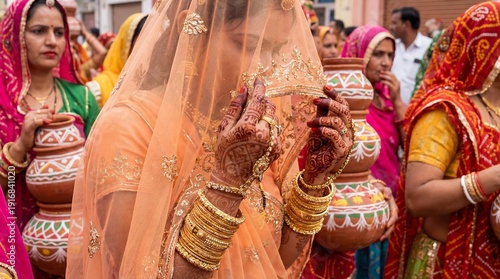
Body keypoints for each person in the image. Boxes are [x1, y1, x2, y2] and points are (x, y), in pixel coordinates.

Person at [65, 0, 360, 277]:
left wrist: (315, 181)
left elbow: (277, 259)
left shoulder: (258, 129)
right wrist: (228, 181)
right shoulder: (129, 129)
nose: (266, 68)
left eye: (275, 49)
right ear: (193, 31)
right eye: (250, 44)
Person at [385, 2, 500, 278]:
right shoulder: (445, 110)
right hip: (443, 264)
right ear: (487, 48)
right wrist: (492, 179)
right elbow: (417, 198)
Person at [0, 0, 99, 276]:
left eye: (59, 32)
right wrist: (20, 145)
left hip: (76, 240)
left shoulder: (83, 99)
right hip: (13, 237)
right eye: (39, 30)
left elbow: (103, 170)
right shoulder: (3, 103)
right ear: (15, 36)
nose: (51, 41)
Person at [301, 25, 403, 279]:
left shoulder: (386, 100)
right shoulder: (324, 104)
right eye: (378, 54)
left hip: (369, 204)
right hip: (330, 214)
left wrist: (376, 187)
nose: (385, 62)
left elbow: (365, 158)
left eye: (390, 55)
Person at [86, 13, 147, 107]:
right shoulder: (100, 86)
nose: (150, 45)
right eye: (144, 39)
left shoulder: (157, 82)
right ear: (126, 43)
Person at [389, 7, 432, 105]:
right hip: (391, 110)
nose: (391, 27)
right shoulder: (391, 46)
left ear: (406, 24)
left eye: (394, 23)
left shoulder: (429, 48)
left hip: (417, 109)